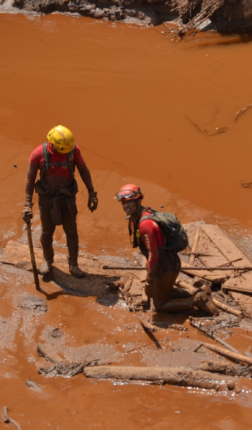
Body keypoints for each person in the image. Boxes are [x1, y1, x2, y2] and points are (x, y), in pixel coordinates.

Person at [115, 184, 218, 315]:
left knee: (160, 306)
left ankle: (196, 300)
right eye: (123, 203)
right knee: (160, 292)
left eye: (129, 202)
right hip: (170, 263)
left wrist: (148, 280)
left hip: (165, 269)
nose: (126, 206)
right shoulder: (144, 212)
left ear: (138, 200)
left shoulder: (144, 224)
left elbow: (153, 255)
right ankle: (200, 293)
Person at [22, 125, 98, 279]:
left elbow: (83, 169)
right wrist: (27, 204)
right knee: (46, 232)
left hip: (67, 196)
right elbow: (30, 179)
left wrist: (91, 192)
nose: (64, 153)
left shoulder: (73, 151)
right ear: (52, 143)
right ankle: (48, 261)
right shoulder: (38, 154)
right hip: (46, 197)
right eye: (61, 150)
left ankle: (73, 265)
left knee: (71, 231)